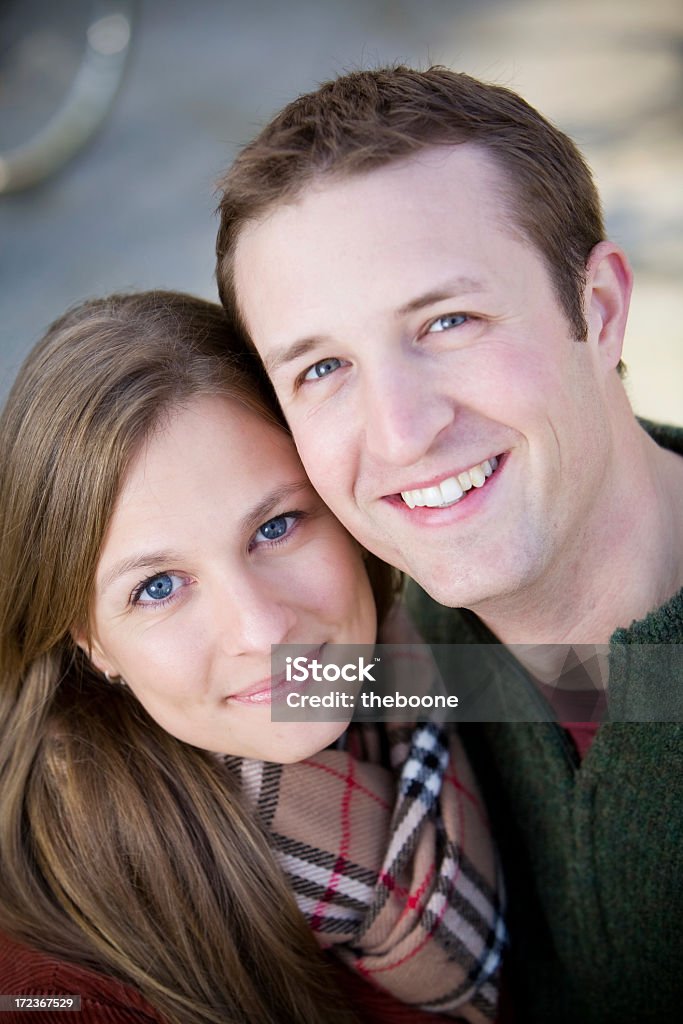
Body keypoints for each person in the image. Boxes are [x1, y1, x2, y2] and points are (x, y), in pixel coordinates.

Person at [215, 66, 683, 1023]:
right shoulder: (376, 652)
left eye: (448, 321)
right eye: (324, 367)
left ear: (594, 309)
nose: (400, 431)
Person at [0, 291, 503, 1024]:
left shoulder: (444, 658)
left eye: (276, 527)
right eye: (159, 587)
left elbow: (646, 684)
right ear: (89, 639)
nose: (263, 631)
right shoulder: (54, 981)